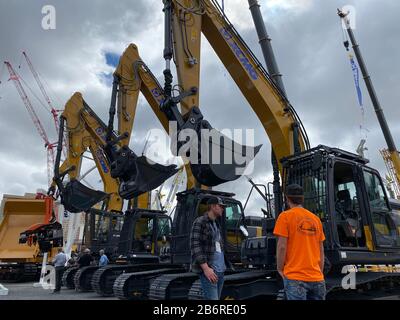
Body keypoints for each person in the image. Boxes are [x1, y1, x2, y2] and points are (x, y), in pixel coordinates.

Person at [273, 184, 326, 300]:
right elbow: (321, 249)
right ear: (302, 199)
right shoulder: (316, 219)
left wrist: (279, 268)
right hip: (317, 277)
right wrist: (319, 272)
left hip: (295, 277)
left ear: (287, 199)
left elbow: (282, 246)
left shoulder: (285, 217)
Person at [190, 196, 227, 300]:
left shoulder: (216, 224)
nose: (223, 209)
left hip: (220, 271)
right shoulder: (200, 222)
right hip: (210, 271)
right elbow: (195, 245)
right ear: (213, 206)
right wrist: (206, 268)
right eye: (221, 206)